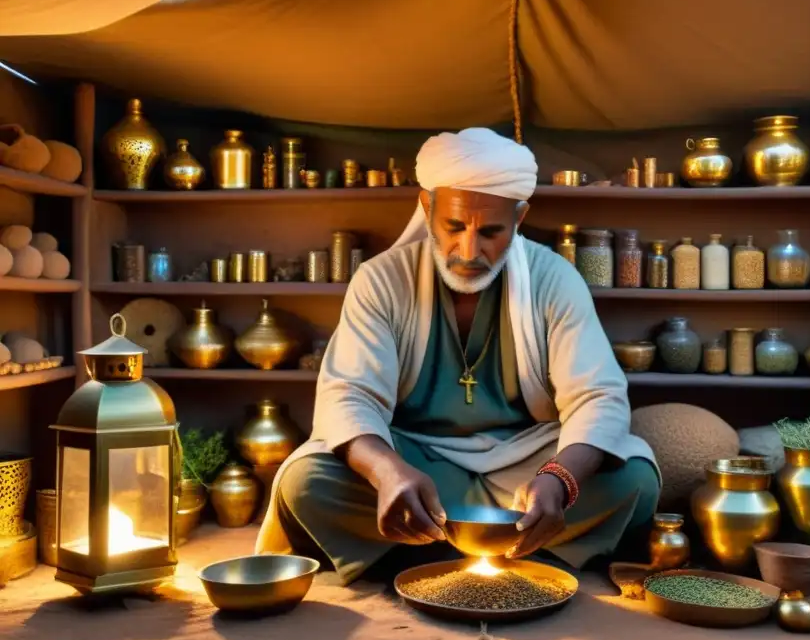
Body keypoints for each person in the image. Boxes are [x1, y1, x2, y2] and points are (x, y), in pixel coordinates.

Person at [256, 128, 660, 585]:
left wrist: (558, 480)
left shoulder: (555, 279)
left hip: (527, 471)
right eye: (453, 227)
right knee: (306, 482)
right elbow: (349, 397)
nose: (469, 251)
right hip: (417, 467)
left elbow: (598, 398)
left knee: (634, 480)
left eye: (490, 231)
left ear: (519, 217)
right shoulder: (381, 281)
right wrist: (389, 473)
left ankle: (422, 559)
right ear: (428, 209)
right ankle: (512, 559)